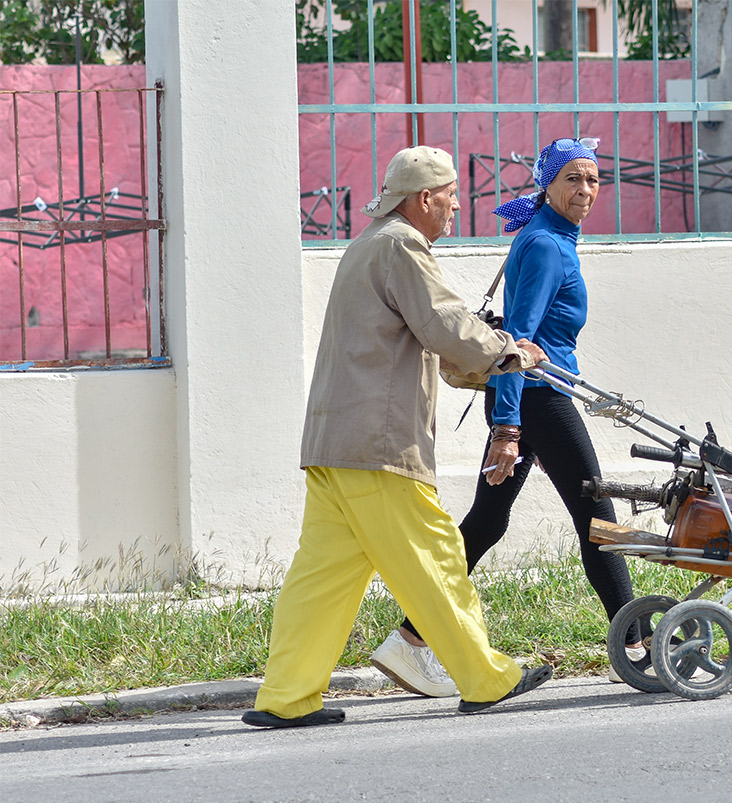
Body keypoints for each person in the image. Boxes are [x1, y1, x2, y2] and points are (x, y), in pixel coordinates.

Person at [241, 146, 553, 728]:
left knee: (320, 581)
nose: (459, 205)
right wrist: (510, 351)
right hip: (381, 447)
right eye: (451, 195)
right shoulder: (402, 245)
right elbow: (443, 324)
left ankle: (286, 696)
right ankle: (485, 678)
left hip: (336, 444)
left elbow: (423, 337)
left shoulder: (366, 245)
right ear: (424, 198)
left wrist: (487, 358)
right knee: (436, 554)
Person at [371, 137, 642, 698]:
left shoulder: (550, 237)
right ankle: (639, 644)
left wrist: (507, 417)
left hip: (528, 395)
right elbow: (518, 340)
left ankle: (410, 639)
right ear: (547, 183)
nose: (586, 190)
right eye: (573, 178)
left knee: (489, 522)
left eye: (593, 179)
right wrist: (509, 428)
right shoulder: (545, 244)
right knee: (598, 513)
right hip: (537, 396)